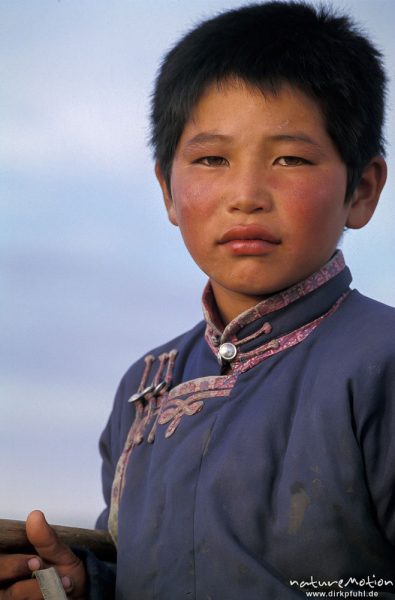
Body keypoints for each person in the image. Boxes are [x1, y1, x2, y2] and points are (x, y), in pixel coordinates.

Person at [1, 1, 393, 598]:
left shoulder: (380, 362)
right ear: (167, 190)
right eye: (212, 159)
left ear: (361, 190)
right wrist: (79, 588)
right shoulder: (145, 390)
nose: (246, 195)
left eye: (290, 158)